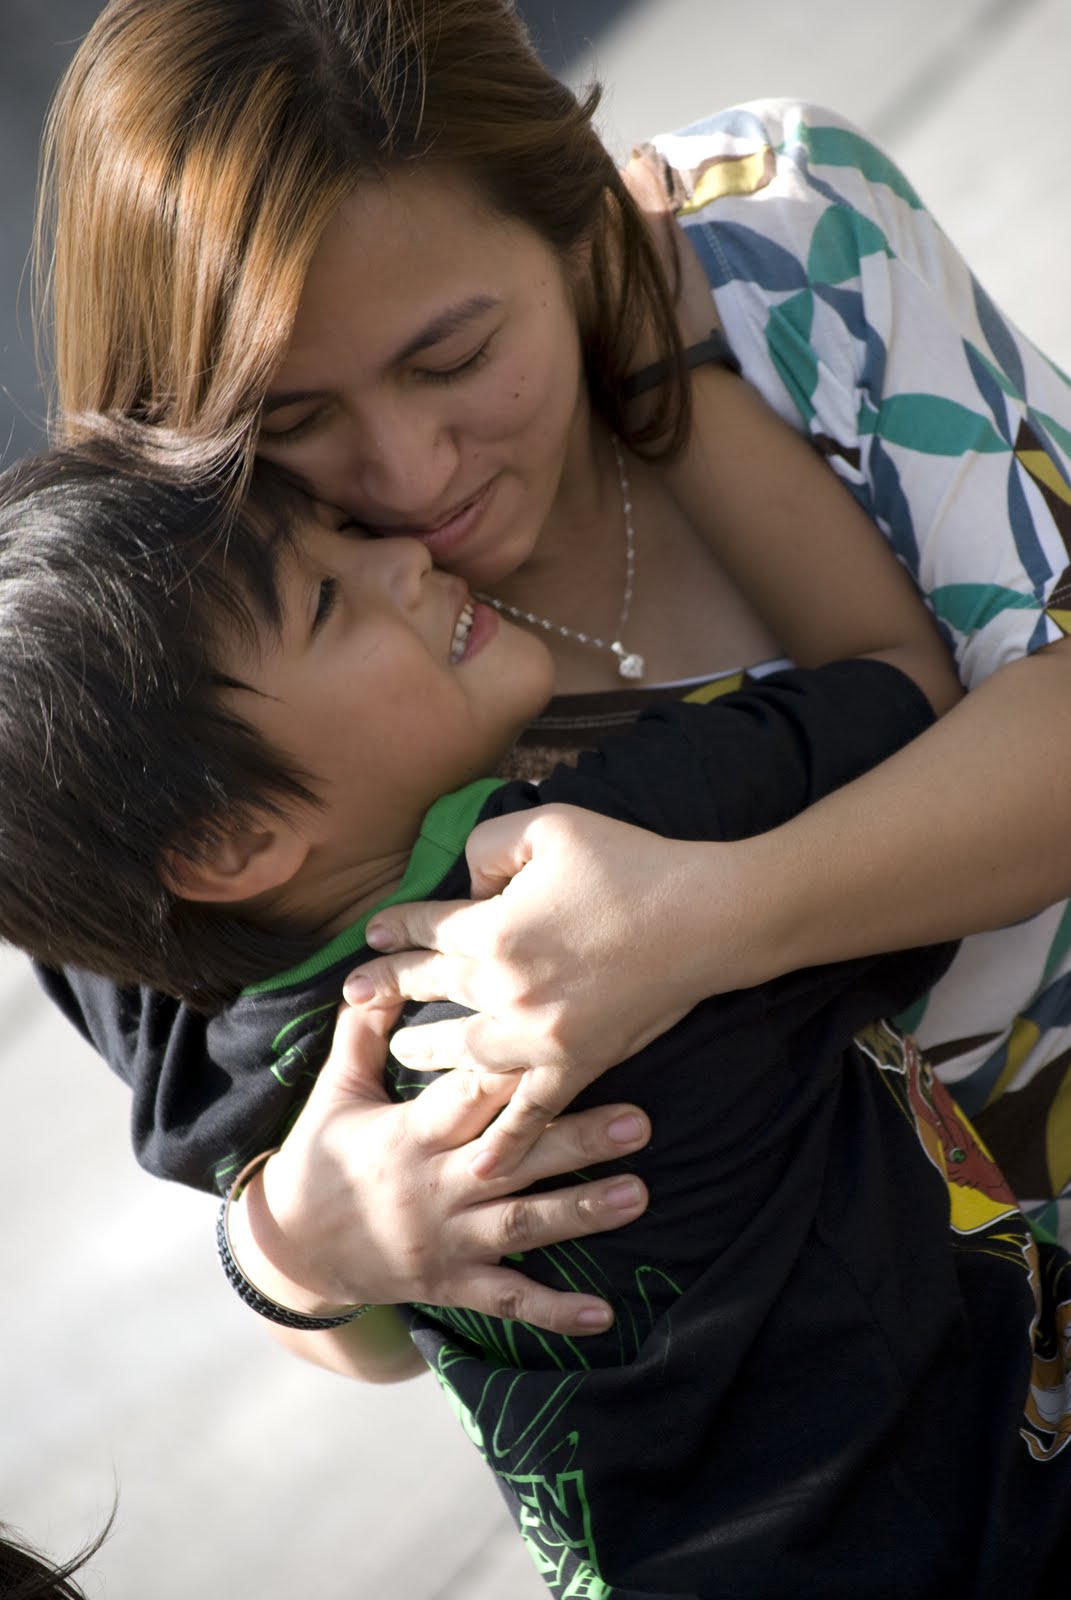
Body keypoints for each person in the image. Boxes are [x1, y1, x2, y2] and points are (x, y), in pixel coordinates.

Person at [32, 0, 1071, 1322]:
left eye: (454, 357)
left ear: (572, 220)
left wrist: (708, 922)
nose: (409, 477)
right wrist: (295, 1251)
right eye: (288, 420)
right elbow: (349, 1282)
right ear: (177, 417)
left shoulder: (771, 237)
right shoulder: (138, 666)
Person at [3, 445, 1068, 1598]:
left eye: (348, 535)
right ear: (231, 840)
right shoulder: (634, 831)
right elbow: (902, 675)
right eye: (326, 599)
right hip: (995, 1522)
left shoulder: (223, 1094)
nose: (403, 554)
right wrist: (686, 390)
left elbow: (70, 909)